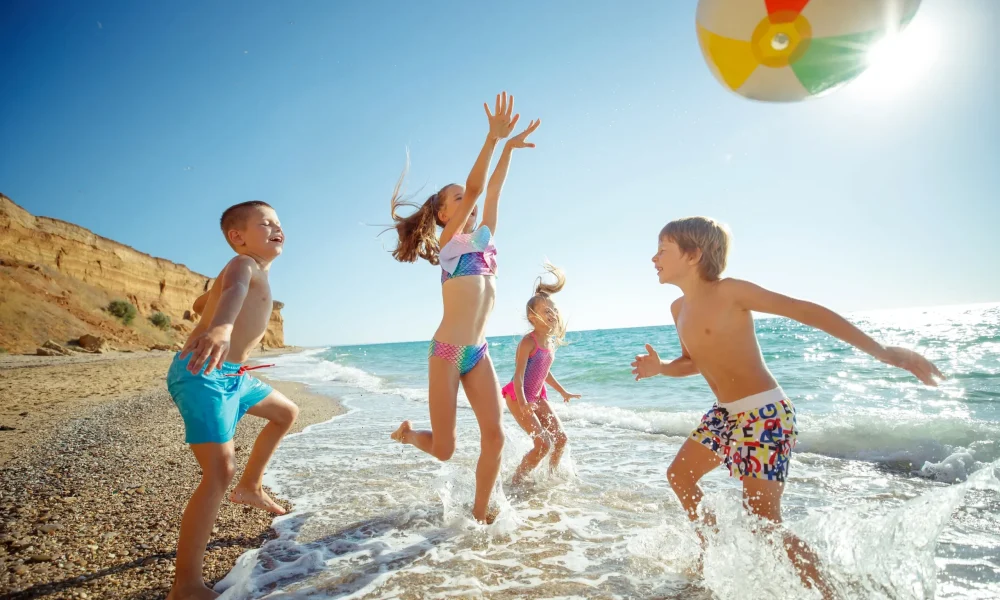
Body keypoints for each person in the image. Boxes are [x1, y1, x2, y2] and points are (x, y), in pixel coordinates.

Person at [631, 216, 943, 595]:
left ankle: (829, 592)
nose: (654, 258)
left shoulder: (731, 291)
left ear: (693, 255)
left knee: (763, 522)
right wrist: (662, 368)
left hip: (765, 414)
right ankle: (710, 551)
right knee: (680, 476)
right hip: (725, 415)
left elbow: (804, 310)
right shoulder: (678, 308)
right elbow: (693, 360)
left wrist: (881, 351)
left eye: (662, 250)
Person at [388, 92, 540, 523]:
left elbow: (492, 190)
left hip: (479, 353)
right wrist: (492, 139)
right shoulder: (448, 245)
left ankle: (478, 514)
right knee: (444, 449)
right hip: (448, 353)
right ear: (441, 215)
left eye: (462, 199)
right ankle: (409, 434)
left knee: (495, 437)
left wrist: (508, 149)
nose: (465, 202)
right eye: (454, 200)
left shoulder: (485, 240)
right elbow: (476, 188)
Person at [166, 201, 299, 600]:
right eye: (266, 223)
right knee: (217, 471)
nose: (277, 228)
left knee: (285, 412)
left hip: (234, 376)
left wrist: (208, 309)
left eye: (279, 222)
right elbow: (234, 292)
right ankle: (185, 585)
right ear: (238, 237)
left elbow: (201, 304)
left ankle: (252, 486)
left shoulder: (249, 269)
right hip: (202, 373)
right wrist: (222, 329)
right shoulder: (244, 265)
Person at [502, 264, 579, 484]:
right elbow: (518, 376)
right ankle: (516, 481)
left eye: (553, 310)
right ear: (533, 318)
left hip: (537, 396)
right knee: (543, 444)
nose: (553, 314)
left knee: (561, 439)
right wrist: (524, 402)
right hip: (518, 396)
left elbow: (544, 372)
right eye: (546, 311)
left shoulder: (550, 342)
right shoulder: (529, 341)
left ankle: (551, 477)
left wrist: (563, 391)